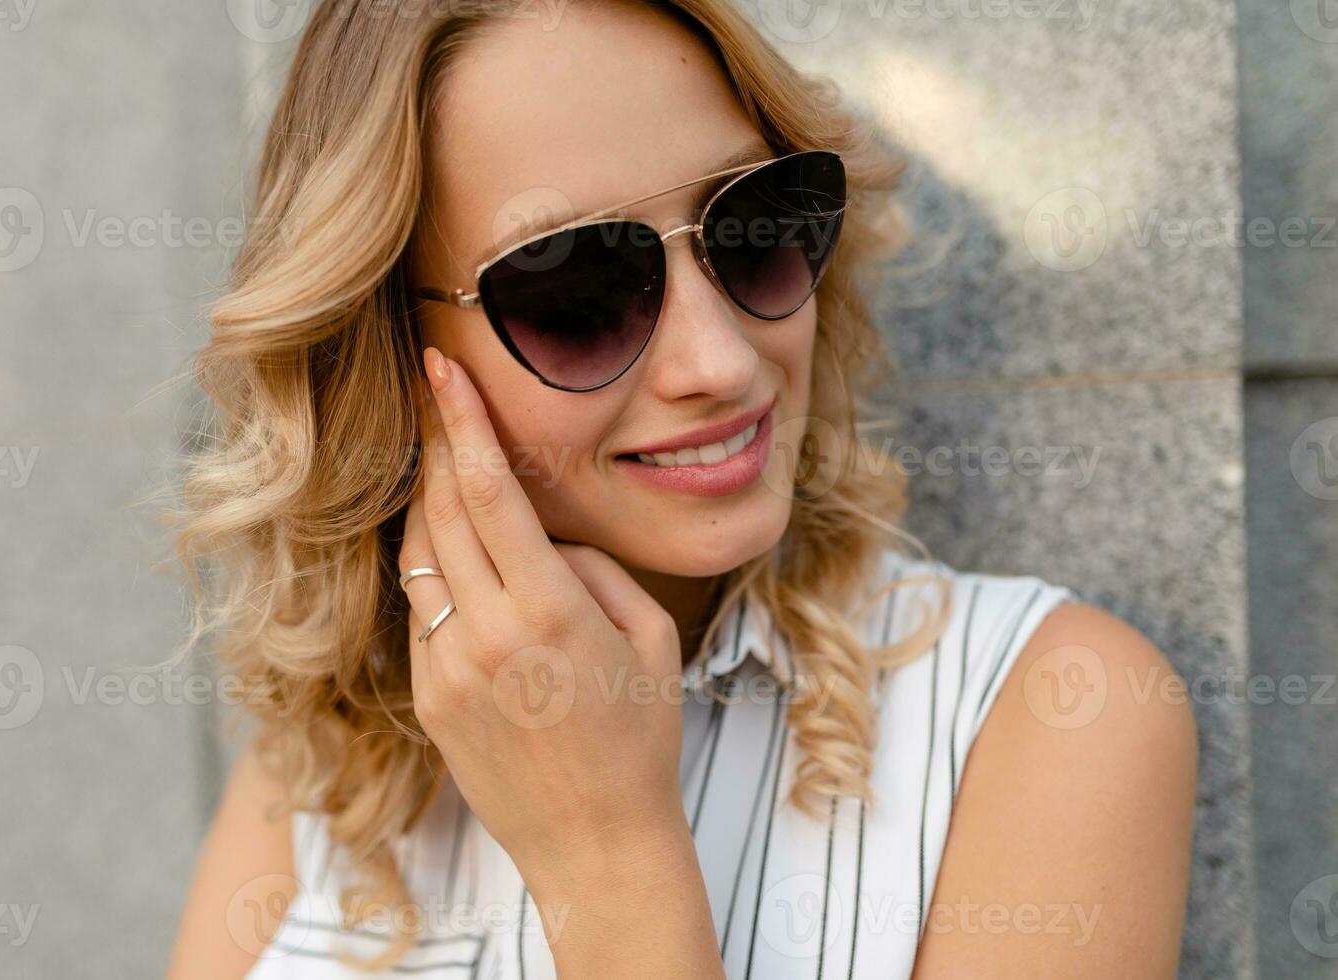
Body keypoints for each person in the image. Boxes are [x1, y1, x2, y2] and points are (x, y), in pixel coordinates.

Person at [167, 0, 1197, 976]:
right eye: (578, 287)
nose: (721, 360)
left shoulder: (1048, 713)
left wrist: (608, 851)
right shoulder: (327, 771)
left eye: (751, 224)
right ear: (386, 352)